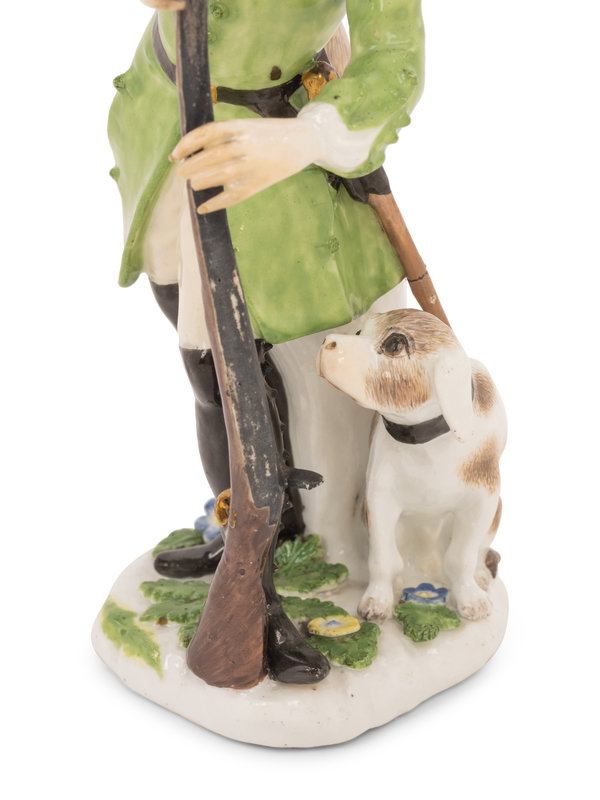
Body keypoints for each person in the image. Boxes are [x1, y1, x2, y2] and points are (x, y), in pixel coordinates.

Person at [108, 0, 425, 682]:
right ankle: (240, 533)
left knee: (250, 376)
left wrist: (305, 139)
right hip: (165, 128)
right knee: (206, 372)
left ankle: (267, 566)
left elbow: (396, 56)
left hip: (267, 162)